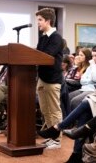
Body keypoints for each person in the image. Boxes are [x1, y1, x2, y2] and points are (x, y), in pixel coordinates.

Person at [35, 8, 64, 149]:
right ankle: (50, 135)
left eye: (40, 20)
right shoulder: (43, 37)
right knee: (45, 109)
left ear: (48, 21)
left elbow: (47, 55)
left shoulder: (57, 37)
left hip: (52, 79)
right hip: (42, 78)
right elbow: (36, 54)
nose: (38, 23)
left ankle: (57, 139)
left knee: (54, 110)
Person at [68, 45, 96, 111]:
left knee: (75, 101)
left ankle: (73, 120)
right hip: (85, 89)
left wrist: (93, 68)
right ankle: (67, 119)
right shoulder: (91, 67)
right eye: (92, 56)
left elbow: (95, 78)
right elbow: (82, 80)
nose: (93, 58)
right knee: (68, 97)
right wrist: (91, 81)